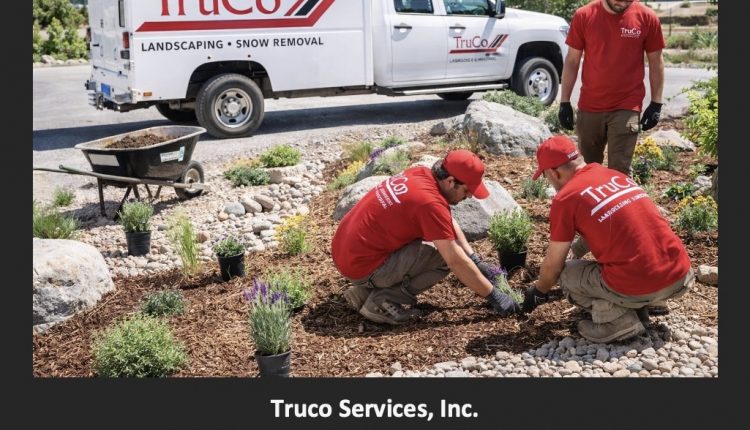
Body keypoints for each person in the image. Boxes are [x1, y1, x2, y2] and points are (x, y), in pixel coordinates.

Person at [522, 136, 694, 343]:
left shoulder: (566, 198)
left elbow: (553, 265)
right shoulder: (614, 175)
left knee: (566, 275)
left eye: (545, 176)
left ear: (553, 172)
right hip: (680, 276)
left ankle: (618, 321)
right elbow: (612, 223)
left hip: (643, 283)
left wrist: (539, 291)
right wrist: (577, 250)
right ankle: (651, 302)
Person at [331, 149, 520, 325]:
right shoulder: (429, 204)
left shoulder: (420, 174)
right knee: (443, 257)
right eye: (467, 190)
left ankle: (363, 292)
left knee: (447, 246)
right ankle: (382, 301)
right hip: (361, 265)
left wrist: (474, 259)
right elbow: (455, 261)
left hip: (347, 253)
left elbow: (446, 221)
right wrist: (494, 295)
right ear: (450, 181)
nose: (470, 196)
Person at [558, 0, 665, 175]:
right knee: (588, 170)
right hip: (590, 106)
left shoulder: (647, 17)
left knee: (620, 171)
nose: (622, 3)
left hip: (627, 105)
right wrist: (564, 102)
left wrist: (656, 103)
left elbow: (656, 62)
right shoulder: (584, 15)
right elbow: (572, 61)